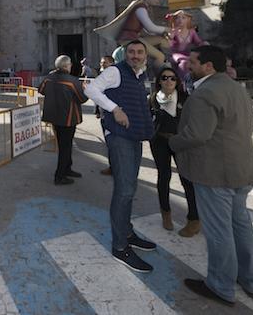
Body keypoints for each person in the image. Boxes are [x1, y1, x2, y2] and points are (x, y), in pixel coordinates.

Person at [169, 46, 253, 306]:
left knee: (220, 231)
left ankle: (221, 285)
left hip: (215, 173)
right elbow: (251, 122)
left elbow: (196, 135)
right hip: (242, 169)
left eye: (193, 62)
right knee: (241, 226)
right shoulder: (237, 89)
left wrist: (172, 142)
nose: (188, 66)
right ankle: (249, 280)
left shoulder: (205, 93)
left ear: (208, 66)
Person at [84, 40, 157, 272]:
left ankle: (127, 233)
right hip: (119, 136)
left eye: (140, 52)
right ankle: (120, 246)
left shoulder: (138, 75)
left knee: (130, 188)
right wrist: (114, 109)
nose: (135, 55)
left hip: (132, 135)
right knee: (124, 190)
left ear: (145, 56)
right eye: (131, 52)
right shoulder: (115, 71)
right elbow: (90, 89)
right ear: (125, 54)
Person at [148, 67, 199, 236]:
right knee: (164, 176)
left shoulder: (186, 98)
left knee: (187, 179)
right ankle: (166, 214)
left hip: (180, 142)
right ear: (159, 81)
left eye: (172, 78)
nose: (168, 81)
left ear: (177, 81)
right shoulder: (153, 99)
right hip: (159, 142)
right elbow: (147, 119)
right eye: (164, 78)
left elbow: (194, 120)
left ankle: (194, 219)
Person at [94, 0, 169, 66]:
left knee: (162, 40)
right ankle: (159, 72)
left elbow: (147, 30)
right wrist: (167, 29)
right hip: (129, 39)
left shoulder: (143, 6)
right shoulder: (140, 8)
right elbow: (150, 28)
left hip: (135, 37)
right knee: (160, 56)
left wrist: (161, 32)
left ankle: (169, 58)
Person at [39, 55, 88, 185]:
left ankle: (67, 168)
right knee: (65, 147)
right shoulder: (72, 81)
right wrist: (84, 89)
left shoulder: (48, 78)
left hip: (54, 116)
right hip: (68, 118)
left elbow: (41, 90)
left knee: (64, 144)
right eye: (70, 64)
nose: (71, 66)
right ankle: (60, 176)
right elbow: (82, 99)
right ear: (66, 66)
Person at [97, 55, 115, 176]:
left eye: (105, 62)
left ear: (112, 64)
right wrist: (97, 111)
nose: (102, 64)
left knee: (113, 142)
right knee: (109, 142)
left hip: (112, 115)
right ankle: (113, 165)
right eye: (101, 62)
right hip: (104, 114)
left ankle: (114, 167)